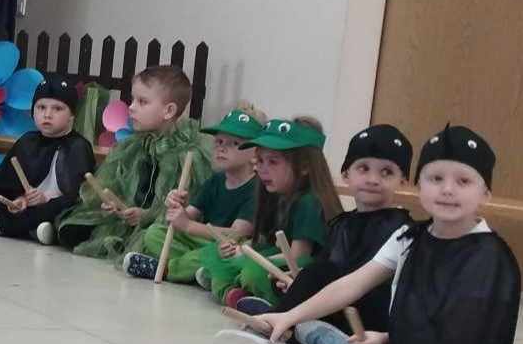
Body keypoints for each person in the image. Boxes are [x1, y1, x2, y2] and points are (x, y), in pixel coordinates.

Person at [215, 125, 520, 344]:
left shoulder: (489, 255)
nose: (447, 190)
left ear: (486, 193)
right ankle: (295, 328)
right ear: (418, 185)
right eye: (436, 178)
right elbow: (351, 284)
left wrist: (388, 342)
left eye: (463, 181)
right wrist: (289, 314)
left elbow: (461, 331)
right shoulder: (409, 238)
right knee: (321, 292)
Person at [266, 124, 417, 331]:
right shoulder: (342, 223)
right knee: (301, 275)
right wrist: (296, 281)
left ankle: (275, 324)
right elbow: (326, 267)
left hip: (368, 320)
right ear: (346, 174)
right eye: (363, 169)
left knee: (317, 274)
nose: (373, 179)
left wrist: (309, 282)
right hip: (334, 307)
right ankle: (282, 322)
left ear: (403, 182)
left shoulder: (402, 229)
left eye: (386, 172)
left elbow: (356, 280)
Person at [56, 66, 212, 259]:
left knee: (149, 241)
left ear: (169, 111)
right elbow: (121, 183)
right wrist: (113, 204)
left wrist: (146, 215)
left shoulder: (188, 154)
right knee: (71, 228)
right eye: (133, 99)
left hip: (161, 223)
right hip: (129, 220)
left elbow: (182, 208)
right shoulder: (134, 145)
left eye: (142, 102)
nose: (131, 107)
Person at [196, 117, 341, 309]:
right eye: (260, 160)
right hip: (277, 259)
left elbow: (298, 258)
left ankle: (255, 298)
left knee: (252, 272)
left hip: (301, 270)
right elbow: (265, 241)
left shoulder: (309, 202)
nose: (261, 169)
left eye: (272, 162)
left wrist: (252, 259)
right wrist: (242, 249)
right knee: (217, 255)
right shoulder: (276, 194)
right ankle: (235, 295)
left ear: (305, 167)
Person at [119, 105, 265, 283]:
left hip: (227, 246)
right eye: (219, 142)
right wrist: (178, 206)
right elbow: (189, 215)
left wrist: (188, 226)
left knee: (224, 252)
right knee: (154, 233)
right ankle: (198, 270)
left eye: (235, 143)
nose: (222, 148)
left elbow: (236, 235)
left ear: (255, 153)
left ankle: (166, 269)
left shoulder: (257, 188)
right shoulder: (216, 180)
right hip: (203, 243)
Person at [0, 75, 95, 244]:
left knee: (67, 214)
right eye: (41, 107)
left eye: (57, 109)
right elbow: (3, 185)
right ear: (33, 111)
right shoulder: (28, 141)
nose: (47, 115)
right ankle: (35, 230)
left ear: (72, 115)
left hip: (52, 207)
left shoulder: (79, 146)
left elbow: (78, 196)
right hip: (26, 207)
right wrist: (19, 199)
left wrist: (45, 199)